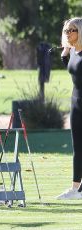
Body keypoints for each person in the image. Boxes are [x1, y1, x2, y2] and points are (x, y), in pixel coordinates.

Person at [57, 17, 82, 199]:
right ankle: (75, 188)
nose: (68, 33)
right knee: (77, 147)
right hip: (76, 103)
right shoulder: (73, 52)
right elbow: (72, 70)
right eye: (66, 30)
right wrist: (65, 53)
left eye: (71, 30)